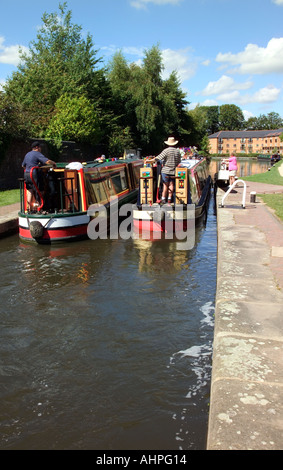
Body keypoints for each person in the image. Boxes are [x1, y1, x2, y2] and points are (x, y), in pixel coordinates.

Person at [22, 141, 56, 210]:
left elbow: (23, 165)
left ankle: (29, 209)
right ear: (37, 147)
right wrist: (54, 163)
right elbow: (47, 161)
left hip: (26, 174)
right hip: (33, 174)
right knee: (40, 190)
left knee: (30, 190)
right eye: (40, 147)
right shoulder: (37, 153)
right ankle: (40, 207)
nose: (41, 149)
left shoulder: (27, 154)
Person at [149, 137, 181, 205]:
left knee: (165, 185)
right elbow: (179, 161)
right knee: (171, 184)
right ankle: (169, 198)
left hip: (165, 170)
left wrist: (149, 161)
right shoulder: (177, 151)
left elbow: (158, 158)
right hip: (173, 171)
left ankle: (163, 198)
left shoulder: (166, 150)